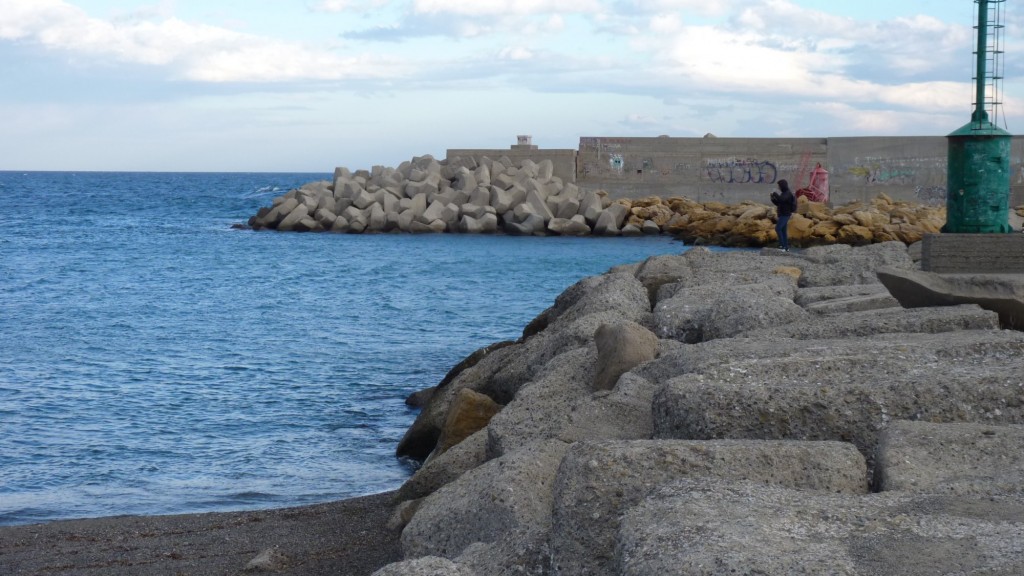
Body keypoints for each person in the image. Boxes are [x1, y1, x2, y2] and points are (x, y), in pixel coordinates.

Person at [770, 179, 797, 251]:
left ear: (782, 185)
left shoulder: (788, 193)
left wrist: (775, 193)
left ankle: (782, 246)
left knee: (778, 228)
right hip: (782, 214)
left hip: (786, 214)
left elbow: (781, 199)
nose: (778, 187)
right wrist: (772, 198)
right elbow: (779, 203)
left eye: (779, 186)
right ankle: (786, 247)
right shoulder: (783, 193)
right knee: (783, 231)